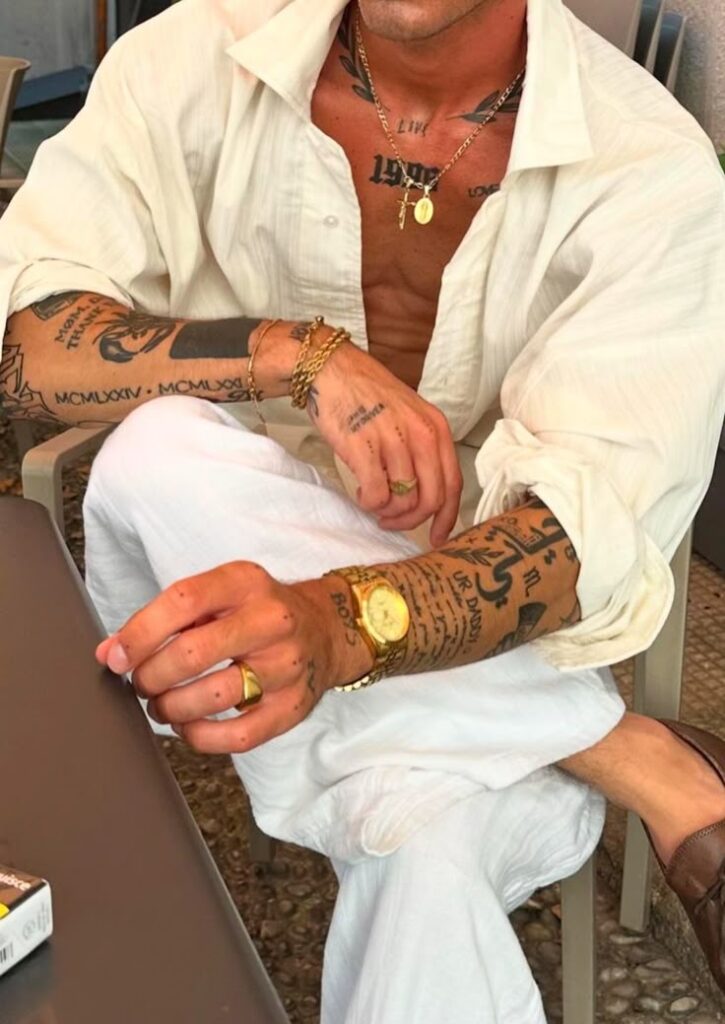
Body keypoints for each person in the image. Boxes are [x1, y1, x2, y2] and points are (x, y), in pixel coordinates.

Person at [1, 0, 724, 1017]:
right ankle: (619, 751)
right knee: (156, 454)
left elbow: (575, 539)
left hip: (486, 617)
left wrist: (342, 623)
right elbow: (26, 347)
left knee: (423, 838)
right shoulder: (195, 57)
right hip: (234, 555)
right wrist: (296, 357)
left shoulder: (647, 168)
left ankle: (526, 734)